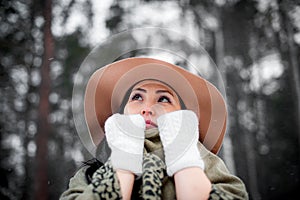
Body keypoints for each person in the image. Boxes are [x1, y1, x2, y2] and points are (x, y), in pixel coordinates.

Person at [60, 57, 248, 199]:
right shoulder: (92, 171)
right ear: (122, 110)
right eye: (137, 97)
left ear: (182, 114)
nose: (148, 109)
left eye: (163, 99)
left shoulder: (204, 159)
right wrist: (124, 157)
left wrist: (183, 154)